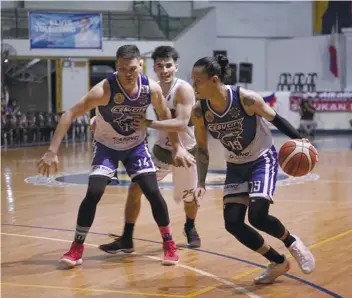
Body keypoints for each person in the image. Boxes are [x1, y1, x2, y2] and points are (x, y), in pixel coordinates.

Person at [37, 45, 195, 267]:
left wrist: (177, 147)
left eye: (132, 68)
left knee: (152, 191)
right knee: (94, 192)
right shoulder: (104, 89)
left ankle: (169, 245)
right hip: (106, 147)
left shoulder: (151, 88)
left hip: (135, 146)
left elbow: (164, 114)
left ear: (140, 65)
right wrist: (52, 150)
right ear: (116, 66)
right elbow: (70, 113)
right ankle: (76, 248)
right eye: (122, 69)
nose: (128, 74)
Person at [190, 55, 315, 284]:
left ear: (214, 80)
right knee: (233, 223)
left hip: (261, 159)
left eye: (197, 81)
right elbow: (202, 149)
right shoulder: (199, 111)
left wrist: (301, 141)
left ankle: (292, 243)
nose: (193, 86)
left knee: (257, 216)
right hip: (235, 165)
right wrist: (200, 182)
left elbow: (275, 119)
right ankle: (278, 262)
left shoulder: (245, 99)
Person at [98, 46, 201, 254]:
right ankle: (127, 237)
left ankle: (190, 226)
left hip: (185, 151)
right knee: (136, 188)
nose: (164, 70)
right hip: (162, 150)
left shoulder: (183, 89)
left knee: (189, 198)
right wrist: (100, 119)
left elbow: (181, 123)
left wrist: (148, 123)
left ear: (176, 66)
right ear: (153, 67)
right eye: (160, 66)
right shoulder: (146, 86)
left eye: (169, 65)